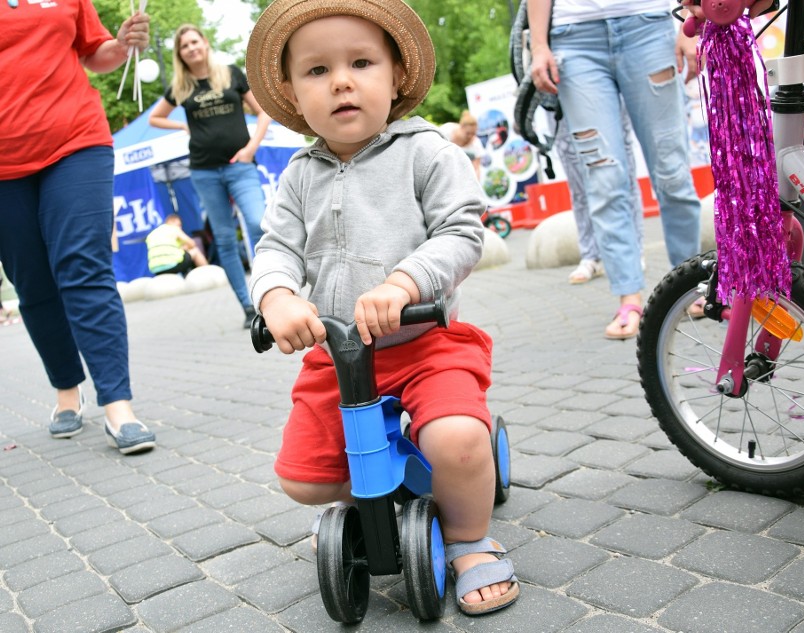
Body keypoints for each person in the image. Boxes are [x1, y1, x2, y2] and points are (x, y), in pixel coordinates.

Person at [245, 0, 519, 615]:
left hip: (426, 345)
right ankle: (387, 491)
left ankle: (469, 538)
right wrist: (278, 295)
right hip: (339, 359)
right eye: (316, 71)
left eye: (361, 62)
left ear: (395, 75)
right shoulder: (296, 178)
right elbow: (275, 249)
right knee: (302, 479)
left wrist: (404, 284)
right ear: (291, 92)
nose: (341, 80)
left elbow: (460, 230)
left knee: (460, 443)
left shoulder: (426, 151)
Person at [0, 1, 156, 454]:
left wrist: (122, 44)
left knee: (83, 267)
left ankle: (118, 405)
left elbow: (94, 53)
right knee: (32, 283)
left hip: (75, 141)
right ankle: (67, 390)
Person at [528, 0, 702, 339]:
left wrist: (688, 19)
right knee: (604, 178)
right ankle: (628, 298)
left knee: (672, 172)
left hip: (648, 25)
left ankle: (691, 284)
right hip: (574, 39)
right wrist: (538, 45)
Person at [148, 24, 272, 329]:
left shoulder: (230, 73)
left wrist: (250, 148)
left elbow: (264, 112)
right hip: (204, 171)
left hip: (240, 166)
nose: (191, 48)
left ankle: (270, 297)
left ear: (204, 43)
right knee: (225, 240)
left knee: (258, 224)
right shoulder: (181, 86)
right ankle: (247, 306)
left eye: (194, 42)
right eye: (184, 46)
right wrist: (181, 126)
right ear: (180, 54)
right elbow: (155, 117)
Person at [554, 104, 645, 284]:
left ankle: (634, 251)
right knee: (578, 184)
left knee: (623, 174)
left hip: (612, 89)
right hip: (559, 93)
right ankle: (591, 256)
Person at [439, 110, 486, 179]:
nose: (470, 136)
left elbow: (476, 168)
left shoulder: (476, 144)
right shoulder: (445, 130)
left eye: (473, 133)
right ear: (461, 127)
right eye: (468, 133)